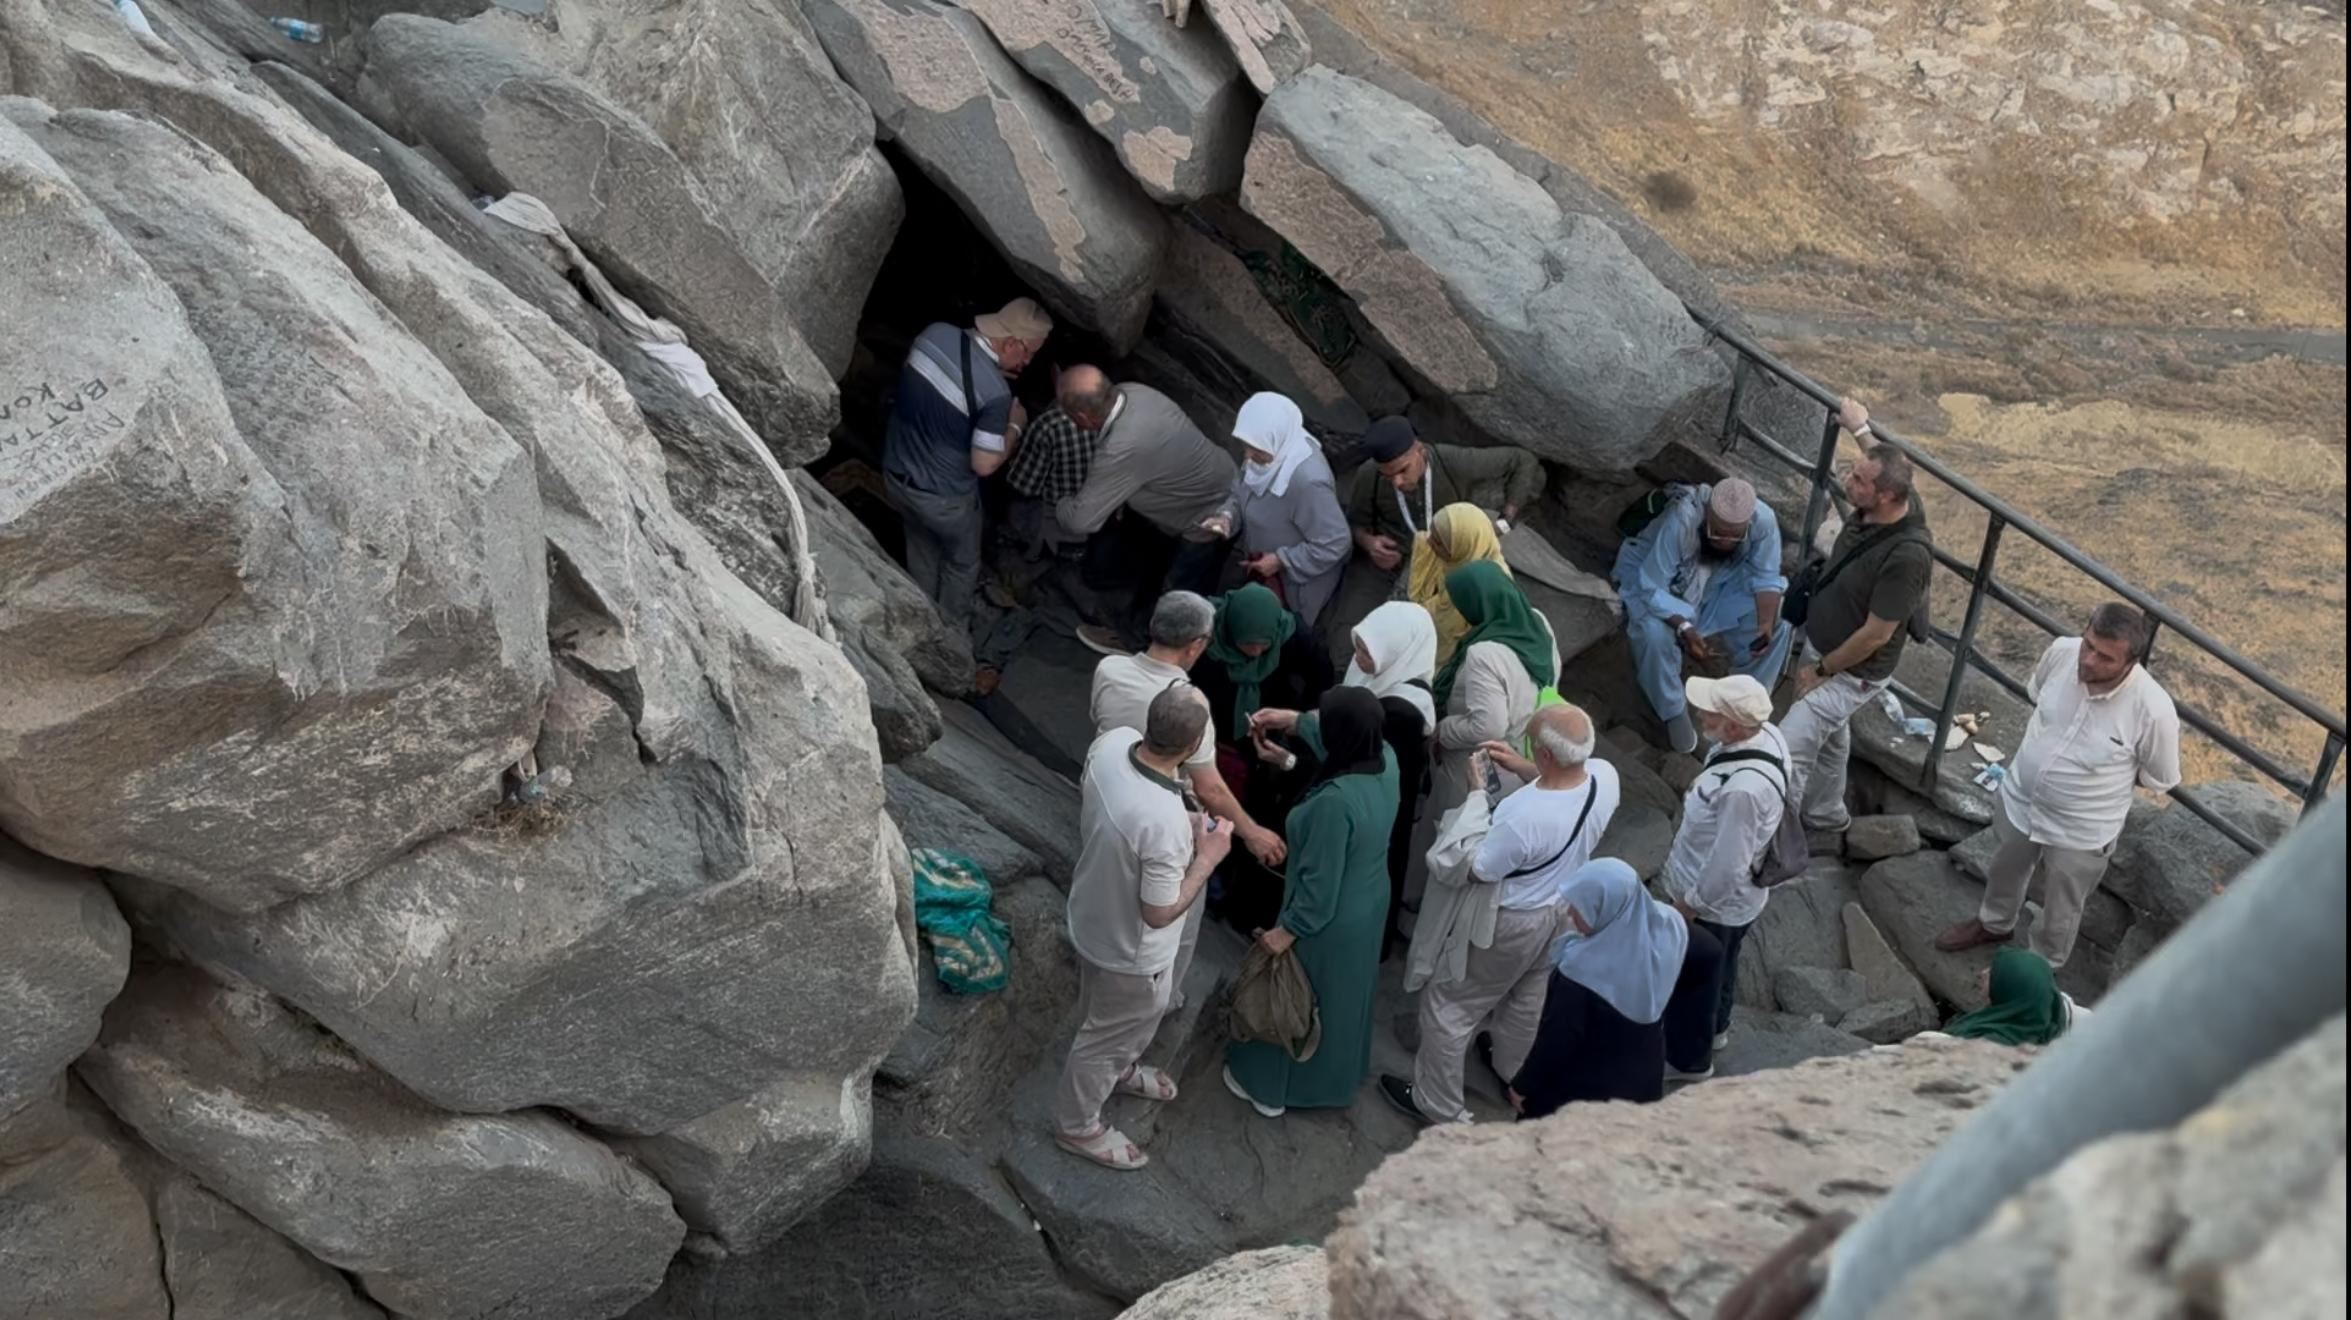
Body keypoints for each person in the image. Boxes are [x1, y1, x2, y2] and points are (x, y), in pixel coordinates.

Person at [1382, 703, 1620, 1127]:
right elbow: (1564, 790)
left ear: (1547, 755)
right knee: (1529, 995)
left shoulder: (1521, 816)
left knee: (1450, 1006)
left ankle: (1436, 1104)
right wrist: (1529, 768)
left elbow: (1475, 869)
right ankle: (1514, 1071)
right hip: (1564, 909)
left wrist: (1476, 795)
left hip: (1512, 921)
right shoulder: (1605, 778)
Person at [1936, 605, 2181, 969]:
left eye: (2105, 657)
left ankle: (2042, 964)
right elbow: (2038, 696)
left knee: (2063, 904)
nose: (2089, 660)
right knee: (2005, 866)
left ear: (2131, 663)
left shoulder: (2154, 710)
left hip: (2080, 830)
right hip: (2021, 799)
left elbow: (2158, 777)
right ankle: (1994, 923)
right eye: (2089, 645)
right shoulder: (2063, 652)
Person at [1055, 686, 1233, 1170]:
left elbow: (1130, 812)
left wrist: (1187, 820)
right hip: (1132, 951)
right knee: (1103, 1035)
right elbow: (1158, 911)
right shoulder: (1163, 825)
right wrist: (1208, 857)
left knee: (1108, 1017)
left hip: (1093, 910)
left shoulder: (1114, 743)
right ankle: (1078, 1127)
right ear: (1195, 745)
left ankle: (1122, 1067)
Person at [1223, 687, 1399, 1117]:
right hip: (1370, 898)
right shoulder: (1387, 759)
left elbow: (1320, 887)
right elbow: (1339, 742)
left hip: (1326, 920)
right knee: (1342, 1000)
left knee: (1293, 999)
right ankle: (1331, 1079)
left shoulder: (1333, 805)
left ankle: (1272, 1087)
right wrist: (1294, 722)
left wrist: (1287, 931)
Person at [1780, 397, 1934, 838]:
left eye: (1860, 480)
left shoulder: (1906, 557)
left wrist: (1821, 671)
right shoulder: (1899, 499)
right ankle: (1828, 816)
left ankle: (1776, 840)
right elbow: (1890, 462)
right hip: (1826, 649)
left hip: (1849, 671)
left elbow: (1875, 635)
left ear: (1886, 496)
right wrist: (1859, 427)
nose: (1849, 482)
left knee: (1789, 748)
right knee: (1828, 739)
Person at [882, 298, 1052, 632]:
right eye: (1029, 352)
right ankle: (950, 636)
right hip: (945, 500)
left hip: (896, 473)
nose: (1028, 361)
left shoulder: (934, 333)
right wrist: (1015, 426)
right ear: (1011, 343)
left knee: (921, 547)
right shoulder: (996, 394)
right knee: (961, 564)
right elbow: (984, 464)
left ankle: (918, 618)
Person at [1090, 591, 1289, 877]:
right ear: (1196, 645)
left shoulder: (1109, 668)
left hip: (1104, 791)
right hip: (1155, 817)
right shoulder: (1189, 704)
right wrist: (1251, 832)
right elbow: (1210, 788)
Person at [1507, 858, 1725, 1117]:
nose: (1570, 914)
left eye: (1582, 908)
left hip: (1586, 1087)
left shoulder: (1580, 973)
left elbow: (1555, 1042)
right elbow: (1711, 951)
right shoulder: (1666, 926)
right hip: (1645, 1077)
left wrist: (1522, 1086)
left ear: (1606, 908)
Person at [1657, 674, 1791, 1079]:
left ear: (1733, 727)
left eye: (1709, 710)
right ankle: (1716, 1028)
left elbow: (1729, 864)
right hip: (1735, 904)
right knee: (1721, 966)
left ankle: (1689, 1060)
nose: (1700, 712)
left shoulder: (1742, 791)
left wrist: (1689, 905)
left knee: (1693, 979)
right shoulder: (1769, 736)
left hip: (1713, 904)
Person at [1053, 368, 1239, 653]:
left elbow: (1081, 521)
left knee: (1178, 591)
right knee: (1154, 555)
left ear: (1083, 418)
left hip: (1204, 519)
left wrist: (1062, 500)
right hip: (1215, 484)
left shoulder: (1121, 447)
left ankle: (1139, 641)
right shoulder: (1133, 392)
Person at [1614, 478, 1796, 753]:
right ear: (1707, 515)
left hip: (1714, 584)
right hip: (1661, 584)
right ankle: (1672, 709)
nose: (1724, 542)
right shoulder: (1682, 520)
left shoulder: (1763, 520)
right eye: (1718, 532)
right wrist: (1685, 628)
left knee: (1780, 619)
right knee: (1651, 633)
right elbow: (1651, 588)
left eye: (1734, 536)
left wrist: (1765, 626)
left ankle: (1745, 701)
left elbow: (1766, 577)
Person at [1192, 584, 1335, 932]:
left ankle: (1219, 883)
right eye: (1247, 644)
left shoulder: (1293, 636)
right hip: (1209, 733)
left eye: (1263, 645)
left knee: (1245, 809)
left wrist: (1293, 721)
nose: (1256, 652)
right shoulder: (1204, 632)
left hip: (1261, 743)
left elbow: (1322, 679)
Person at [1203, 393, 1351, 627]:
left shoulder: (1308, 482)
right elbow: (1241, 492)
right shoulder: (1265, 453)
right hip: (1262, 566)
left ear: (1279, 439)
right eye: (1246, 446)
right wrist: (1227, 516)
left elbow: (1336, 541)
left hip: (1294, 588)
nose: (1248, 456)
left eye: (1256, 450)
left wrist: (1283, 560)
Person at [1341, 601, 1438, 956]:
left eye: (1367, 651)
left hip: (1379, 809)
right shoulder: (1379, 671)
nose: (1359, 658)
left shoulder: (1405, 712)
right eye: (1359, 646)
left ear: (1397, 651)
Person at [1429, 560, 1559, 815]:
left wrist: (1441, 731)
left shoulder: (1484, 654)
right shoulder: (1535, 622)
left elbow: (1488, 726)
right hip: (1526, 748)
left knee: (1451, 836)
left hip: (1481, 766)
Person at [1348, 416, 1546, 580]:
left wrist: (1506, 520)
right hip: (1396, 562)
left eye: (1403, 470)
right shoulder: (1369, 475)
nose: (1397, 482)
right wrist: (1369, 543)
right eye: (1388, 475)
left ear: (1420, 450)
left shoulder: (1452, 461)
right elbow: (1354, 523)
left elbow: (1522, 459)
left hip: (1452, 553)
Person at [1409, 503, 1512, 665]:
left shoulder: (1484, 589)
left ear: (1461, 545)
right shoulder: (1455, 556)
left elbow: (1449, 627)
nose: (1428, 542)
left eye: (1438, 543)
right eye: (1432, 534)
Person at [1940, 949, 2071, 1047]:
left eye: (1993, 974)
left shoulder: (1988, 1044)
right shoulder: (2045, 1011)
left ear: (2010, 991)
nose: (1983, 973)